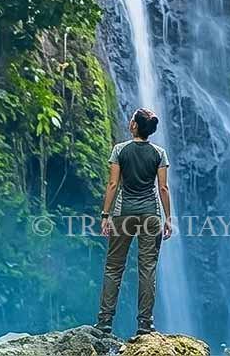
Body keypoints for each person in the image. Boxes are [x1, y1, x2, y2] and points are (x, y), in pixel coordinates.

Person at [92, 107, 173, 337]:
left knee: (114, 267)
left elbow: (113, 184)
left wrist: (105, 215)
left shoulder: (120, 150)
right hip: (151, 215)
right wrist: (168, 218)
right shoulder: (159, 153)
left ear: (134, 125)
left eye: (131, 119)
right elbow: (163, 188)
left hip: (123, 213)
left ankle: (105, 322)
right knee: (147, 269)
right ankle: (145, 324)